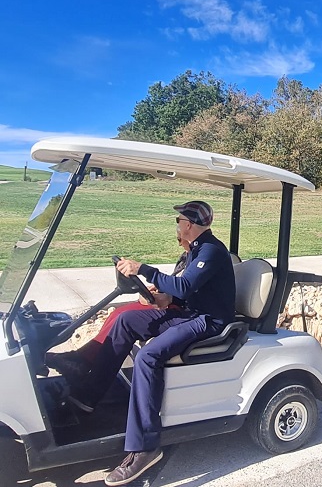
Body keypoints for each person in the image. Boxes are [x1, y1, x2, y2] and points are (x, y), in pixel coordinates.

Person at [64, 201, 236, 487]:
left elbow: (185, 287)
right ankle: (89, 396)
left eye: (179, 220)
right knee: (125, 320)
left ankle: (145, 447)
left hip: (209, 322)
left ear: (188, 224)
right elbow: (190, 290)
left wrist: (143, 269)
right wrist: (166, 298)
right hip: (191, 313)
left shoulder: (212, 250)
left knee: (148, 356)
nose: (177, 224)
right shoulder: (197, 249)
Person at [44, 234, 190, 380]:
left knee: (124, 318)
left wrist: (168, 297)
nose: (179, 244)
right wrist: (159, 290)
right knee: (118, 313)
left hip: (181, 311)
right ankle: (81, 356)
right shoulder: (186, 257)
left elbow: (188, 292)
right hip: (172, 303)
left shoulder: (198, 262)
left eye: (180, 239)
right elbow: (174, 283)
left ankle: (86, 367)